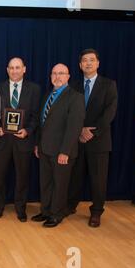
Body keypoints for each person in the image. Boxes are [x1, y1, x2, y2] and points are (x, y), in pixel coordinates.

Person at [67, 49, 118, 227]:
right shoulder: (73, 86)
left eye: (91, 60)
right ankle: (70, 205)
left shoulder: (109, 85)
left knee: (98, 179)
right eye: (84, 61)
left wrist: (91, 132)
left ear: (98, 63)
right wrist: (80, 129)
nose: (88, 63)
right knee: (74, 176)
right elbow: (69, 112)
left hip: (99, 141)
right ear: (80, 65)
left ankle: (96, 212)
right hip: (77, 139)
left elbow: (109, 113)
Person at [32, 63, 85, 227]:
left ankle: (56, 214)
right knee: (46, 183)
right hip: (45, 149)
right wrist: (37, 144)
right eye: (54, 73)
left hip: (62, 151)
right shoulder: (49, 94)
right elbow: (43, 123)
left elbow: (74, 128)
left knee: (60, 184)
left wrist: (65, 152)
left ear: (68, 76)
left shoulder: (75, 97)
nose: (57, 76)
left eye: (61, 73)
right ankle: (46, 211)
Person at [0, 57, 41, 222]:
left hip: (23, 141)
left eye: (18, 67)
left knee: (22, 178)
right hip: (2, 140)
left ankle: (20, 208)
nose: (14, 71)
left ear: (24, 69)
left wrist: (27, 131)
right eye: (11, 68)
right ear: (7, 70)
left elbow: (36, 116)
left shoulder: (34, 89)